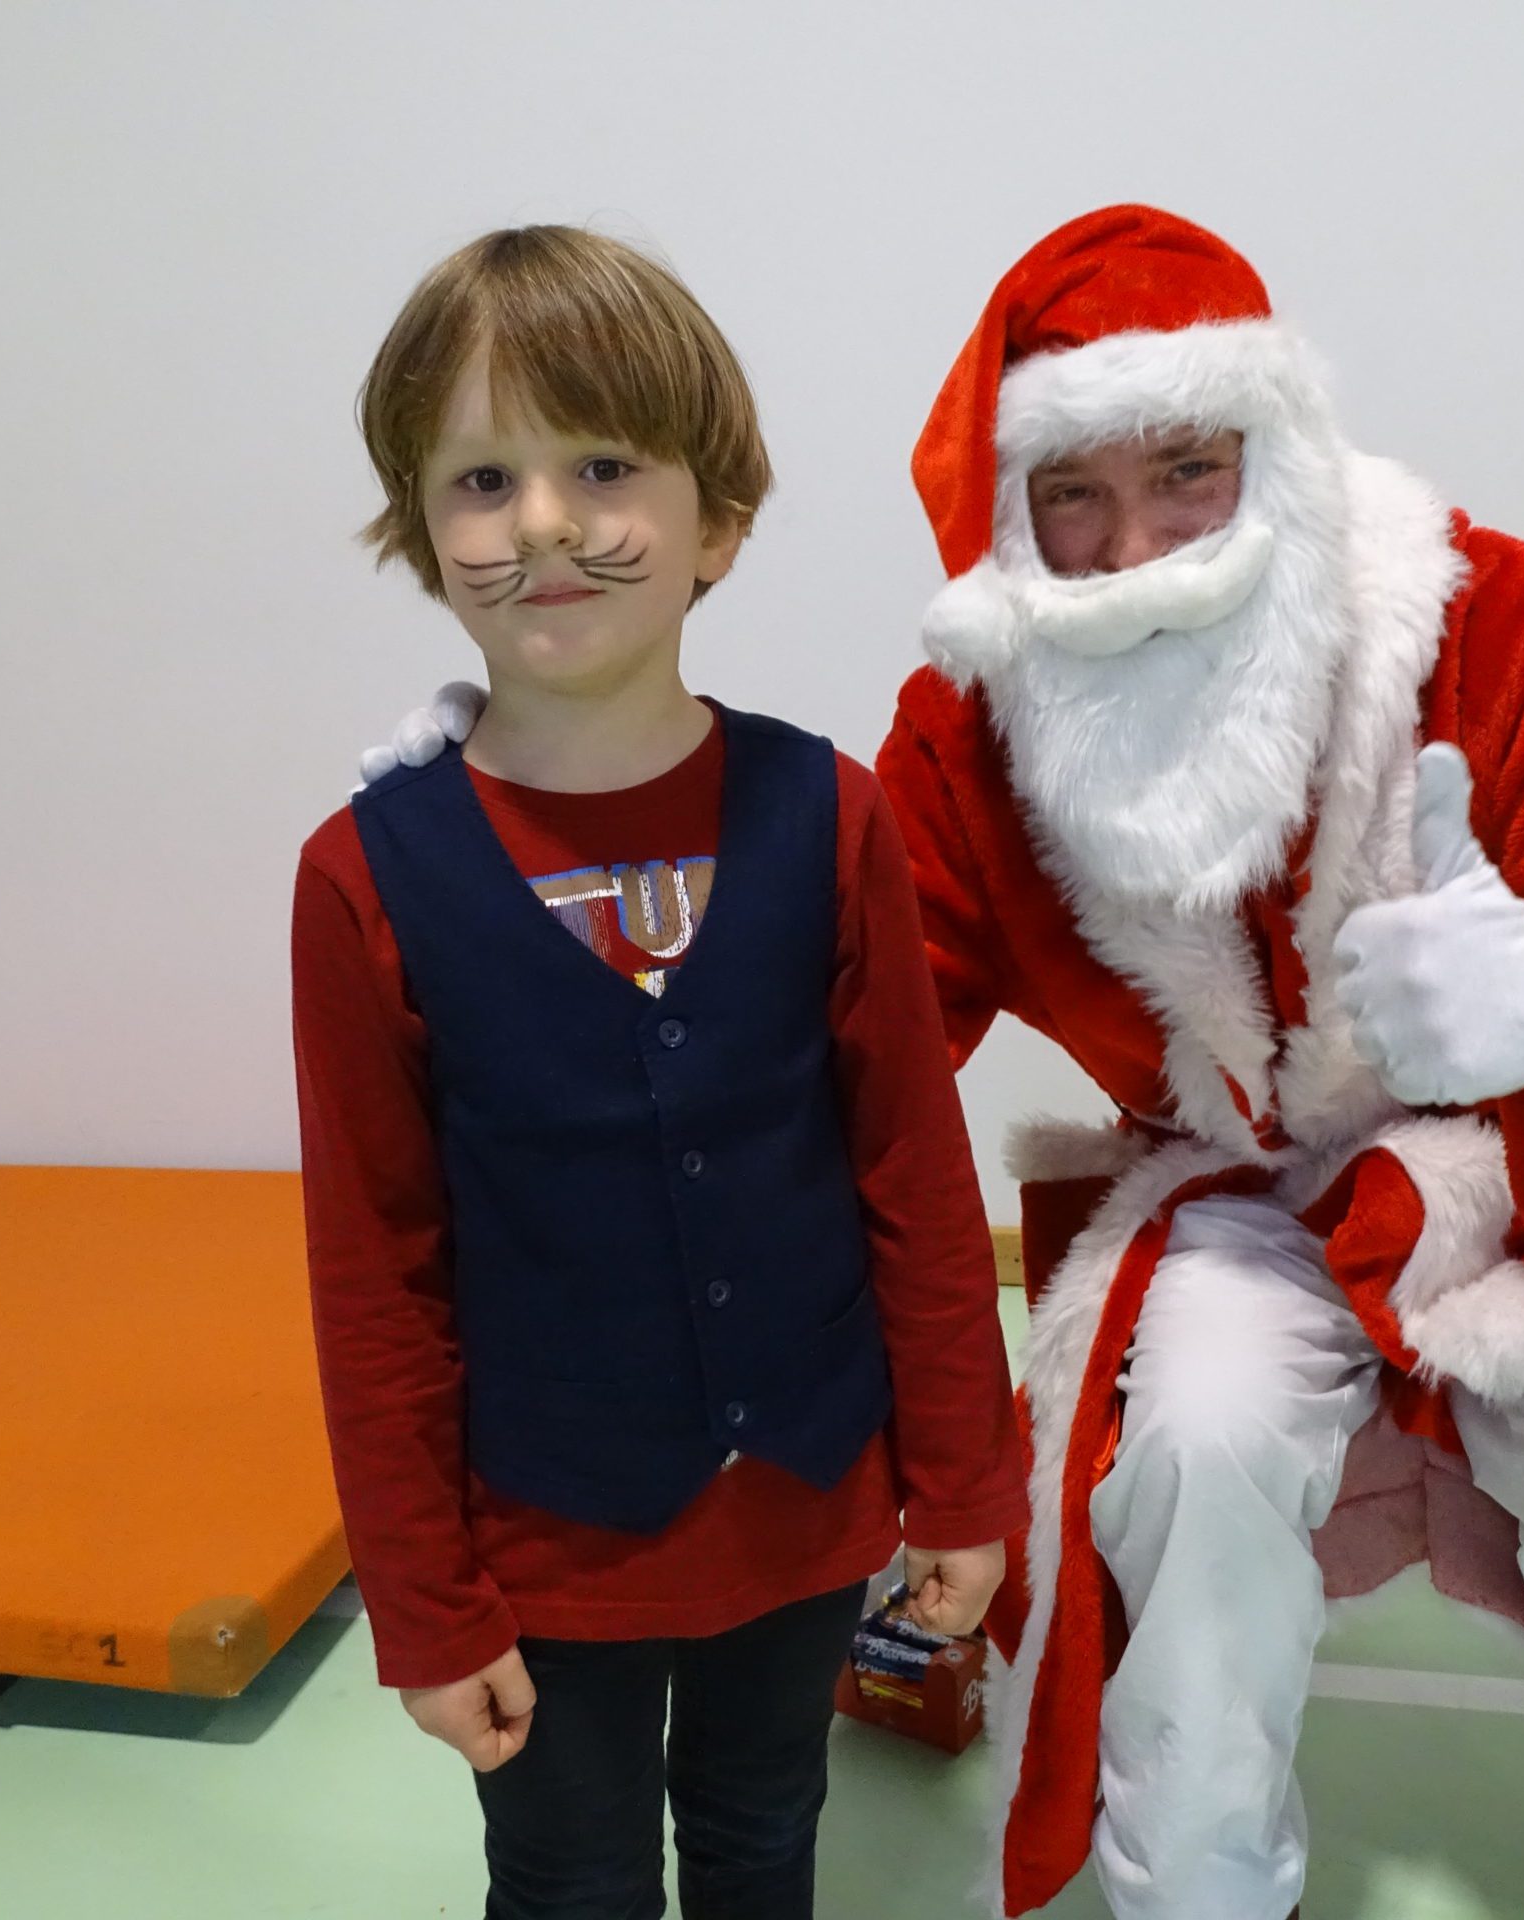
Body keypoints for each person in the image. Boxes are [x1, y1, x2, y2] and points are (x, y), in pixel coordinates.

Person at [370, 206, 1524, 1920]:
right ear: (1009, 512)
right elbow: (808, 1036)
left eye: (1188, 471)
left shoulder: (1497, 618)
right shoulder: (974, 723)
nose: (1136, 546)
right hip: (1232, 1200)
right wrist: (518, 812)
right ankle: (1205, 1893)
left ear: (1277, 458)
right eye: (1073, 493)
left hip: (1516, 1205)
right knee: (1189, 1446)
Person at [295, 225, 1024, 1920]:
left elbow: (914, 1180)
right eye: (485, 479)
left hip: (805, 1514)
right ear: (421, 527)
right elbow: (375, 1275)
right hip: (544, 1545)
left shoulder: (830, 816)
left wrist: (965, 1480)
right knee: (572, 1878)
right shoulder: (363, 878)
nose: (545, 523)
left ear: (722, 522)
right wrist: (425, 1605)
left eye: (606, 467)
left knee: (766, 1838)